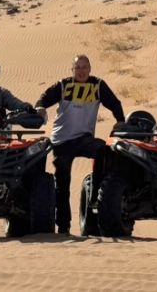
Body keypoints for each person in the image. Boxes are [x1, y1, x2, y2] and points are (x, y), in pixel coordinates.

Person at [34, 55, 125, 234]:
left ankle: (96, 195)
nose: (81, 71)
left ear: (90, 68)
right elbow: (44, 98)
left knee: (103, 150)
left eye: (84, 67)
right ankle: (63, 226)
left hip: (84, 138)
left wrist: (120, 121)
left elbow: (114, 103)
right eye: (77, 68)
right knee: (63, 183)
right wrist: (40, 107)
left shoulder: (97, 85)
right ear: (72, 70)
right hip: (62, 141)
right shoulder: (63, 85)